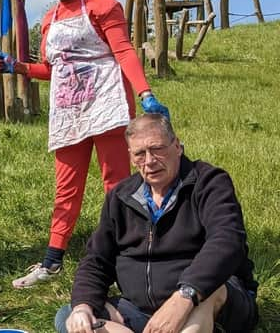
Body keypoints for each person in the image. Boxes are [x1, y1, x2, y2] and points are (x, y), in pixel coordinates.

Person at [0, 0, 170, 288]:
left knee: (116, 184)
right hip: (69, 114)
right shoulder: (49, 21)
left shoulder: (103, 5)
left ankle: (129, 255)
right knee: (66, 188)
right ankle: (52, 261)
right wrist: (18, 67)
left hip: (107, 107)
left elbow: (122, 50)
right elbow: (53, 68)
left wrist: (144, 92)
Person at [54, 113, 258, 333]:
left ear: (177, 146)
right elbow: (97, 260)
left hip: (206, 300)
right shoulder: (121, 196)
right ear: (131, 157)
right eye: (140, 154)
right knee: (71, 317)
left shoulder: (209, 183)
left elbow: (227, 241)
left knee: (210, 294)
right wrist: (83, 306)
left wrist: (184, 297)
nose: (150, 161)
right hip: (139, 310)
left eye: (157, 149)